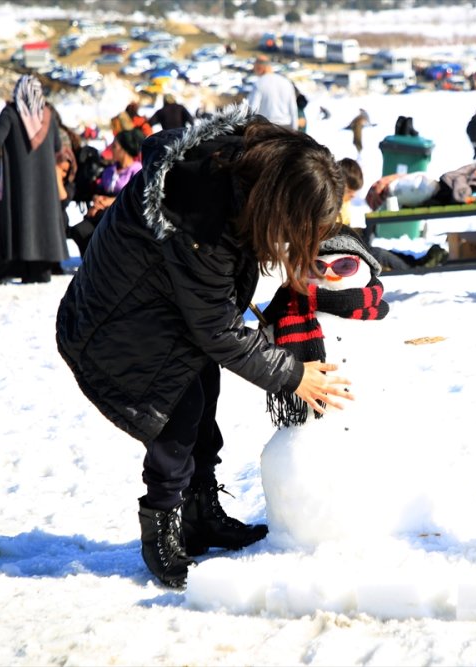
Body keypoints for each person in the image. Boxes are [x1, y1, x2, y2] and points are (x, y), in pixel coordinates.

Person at [55, 103, 354, 589]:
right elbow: (216, 329)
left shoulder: (248, 174)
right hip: (118, 321)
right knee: (177, 411)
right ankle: (162, 530)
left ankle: (200, 513)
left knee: (203, 390)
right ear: (278, 202)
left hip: (156, 304)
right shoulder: (201, 222)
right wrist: (294, 375)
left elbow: (217, 311)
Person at [0, 74, 68, 284]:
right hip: (45, 185)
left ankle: (10, 268)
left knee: (14, 220)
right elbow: (57, 147)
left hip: (17, 183)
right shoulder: (48, 115)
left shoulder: (11, 114)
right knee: (42, 223)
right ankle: (39, 270)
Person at [67, 128, 145, 257]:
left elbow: (136, 196)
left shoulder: (136, 170)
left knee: (103, 232)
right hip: (103, 212)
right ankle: (90, 263)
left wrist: (109, 201)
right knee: (80, 230)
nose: (111, 149)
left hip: (124, 214)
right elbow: (101, 191)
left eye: (114, 146)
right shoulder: (110, 170)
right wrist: (97, 200)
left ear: (124, 149)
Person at [246, 55, 297, 130]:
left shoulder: (259, 83)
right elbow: (293, 109)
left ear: (260, 67)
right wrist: (295, 130)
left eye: (255, 67)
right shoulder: (286, 82)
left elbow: (253, 110)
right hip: (286, 128)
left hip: (267, 129)